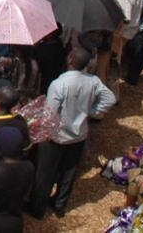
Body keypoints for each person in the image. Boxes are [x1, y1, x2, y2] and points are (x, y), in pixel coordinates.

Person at [30, 48, 116, 218]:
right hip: (78, 136)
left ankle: (38, 209)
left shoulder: (59, 84)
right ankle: (59, 205)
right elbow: (110, 98)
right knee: (68, 173)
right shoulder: (93, 81)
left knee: (45, 174)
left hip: (56, 137)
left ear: (70, 59)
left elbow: (50, 114)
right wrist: (93, 111)